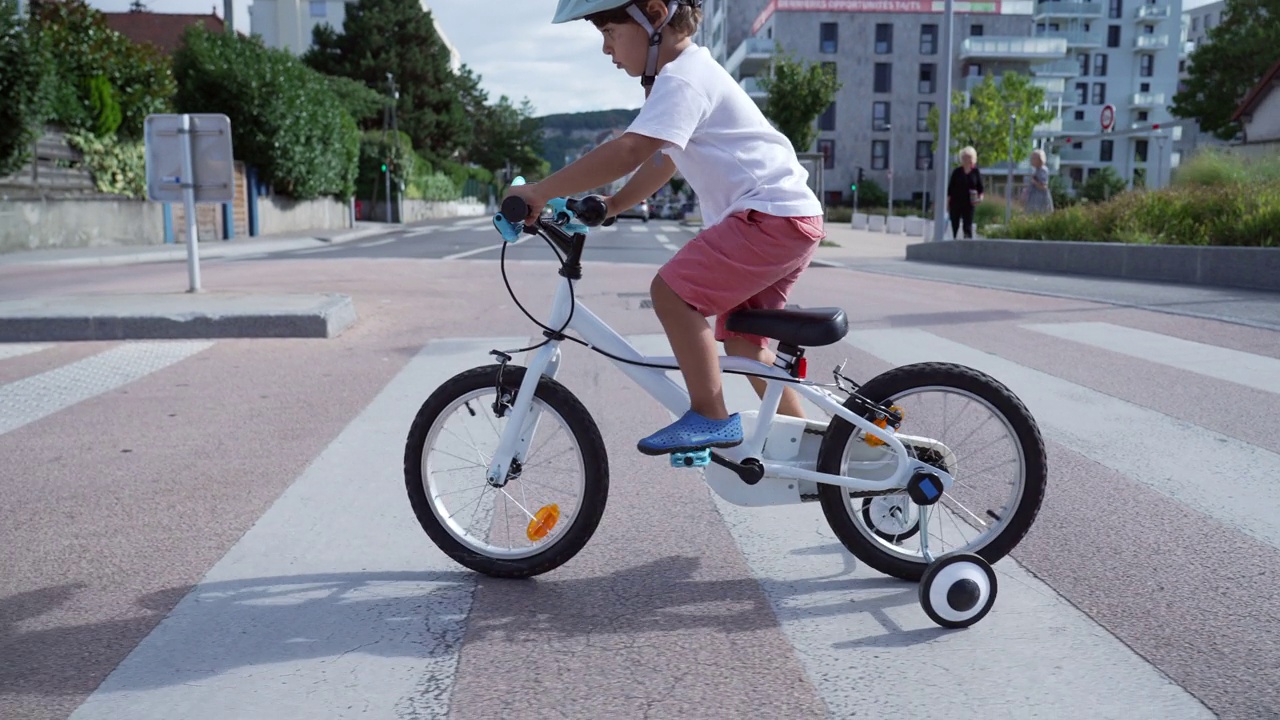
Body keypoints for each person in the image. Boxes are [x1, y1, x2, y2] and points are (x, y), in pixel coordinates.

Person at [504, 0, 825, 457]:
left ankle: (711, 417)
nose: (606, 49)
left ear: (654, 15)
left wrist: (538, 192)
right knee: (741, 342)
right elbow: (663, 158)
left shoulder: (683, 78)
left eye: (611, 32)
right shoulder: (687, 78)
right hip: (788, 216)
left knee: (672, 293)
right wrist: (614, 204)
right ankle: (816, 445)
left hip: (768, 216)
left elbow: (629, 151)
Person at [946, 146, 984, 239]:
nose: (968, 160)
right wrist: (947, 204)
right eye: (966, 157)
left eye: (970, 157)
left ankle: (968, 246)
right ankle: (953, 243)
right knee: (954, 225)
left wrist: (980, 199)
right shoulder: (957, 172)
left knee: (967, 226)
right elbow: (950, 190)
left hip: (969, 204)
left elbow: (981, 189)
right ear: (962, 159)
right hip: (955, 203)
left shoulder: (976, 172)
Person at [1023, 148, 1055, 215]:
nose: (1031, 160)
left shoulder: (1043, 170)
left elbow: (1043, 186)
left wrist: (1034, 182)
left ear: (1040, 159)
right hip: (1034, 198)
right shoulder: (1036, 170)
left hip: (1040, 199)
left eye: (1034, 158)